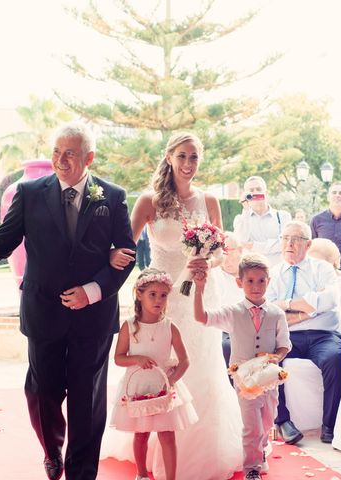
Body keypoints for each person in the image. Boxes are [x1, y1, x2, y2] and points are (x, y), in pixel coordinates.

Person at [0, 122, 136, 480]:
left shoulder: (113, 196)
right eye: (56, 152)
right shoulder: (28, 193)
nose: (61, 160)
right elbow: (2, 241)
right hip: (43, 311)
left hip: (93, 317)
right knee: (42, 393)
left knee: (87, 399)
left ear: (89, 158)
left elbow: (126, 254)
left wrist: (91, 291)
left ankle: (81, 471)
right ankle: (51, 450)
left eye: (70, 153)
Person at [107, 132, 243, 479]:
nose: (188, 164)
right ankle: (153, 441)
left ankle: (202, 451)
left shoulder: (209, 200)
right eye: (182, 156)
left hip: (199, 293)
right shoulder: (149, 202)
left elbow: (219, 252)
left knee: (201, 367)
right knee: (160, 364)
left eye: (194, 157)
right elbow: (125, 245)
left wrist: (206, 265)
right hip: (162, 297)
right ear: (169, 157)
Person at [193, 253, 291, 480]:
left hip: (268, 378)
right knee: (251, 426)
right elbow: (201, 317)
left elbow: (284, 345)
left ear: (269, 281)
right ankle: (252, 468)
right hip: (244, 379)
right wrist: (199, 289)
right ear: (239, 282)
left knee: (267, 419)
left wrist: (276, 357)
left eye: (261, 281)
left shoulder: (276, 313)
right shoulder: (232, 312)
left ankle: (262, 448)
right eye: (250, 281)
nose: (256, 286)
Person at [111, 269, 197, 480]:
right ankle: (141, 475)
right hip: (138, 387)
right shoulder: (129, 326)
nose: (159, 299)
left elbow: (185, 360)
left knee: (167, 435)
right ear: (139, 294)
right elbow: (118, 358)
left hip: (163, 388)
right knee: (141, 434)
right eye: (152, 294)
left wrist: (172, 381)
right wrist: (136, 359)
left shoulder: (169, 327)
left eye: (163, 295)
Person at [267, 220, 341, 445]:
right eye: (285, 239)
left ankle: (330, 426)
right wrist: (309, 309)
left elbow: (328, 299)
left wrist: (287, 306)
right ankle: (282, 422)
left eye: (296, 239)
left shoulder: (322, 269)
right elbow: (269, 308)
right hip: (287, 337)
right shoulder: (272, 273)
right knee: (270, 359)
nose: (289, 244)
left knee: (335, 359)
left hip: (323, 335)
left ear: (308, 244)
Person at [233, 176, 292, 266]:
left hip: (278, 271)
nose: (255, 192)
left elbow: (285, 243)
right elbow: (241, 241)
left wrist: (254, 246)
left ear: (266, 193)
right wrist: (246, 209)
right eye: (251, 191)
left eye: (259, 189)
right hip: (253, 273)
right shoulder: (240, 219)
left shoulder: (283, 216)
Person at [211, 232, 245, 368]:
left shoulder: (252, 271)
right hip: (226, 329)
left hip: (253, 327)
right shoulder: (216, 276)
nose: (225, 259)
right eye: (221, 254)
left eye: (228, 252)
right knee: (227, 347)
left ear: (240, 250)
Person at [310, 181, 341, 270]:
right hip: (321, 270)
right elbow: (311, 247)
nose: (337, 195)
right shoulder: (316, 220)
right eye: (334, 192)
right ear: (328, 197)